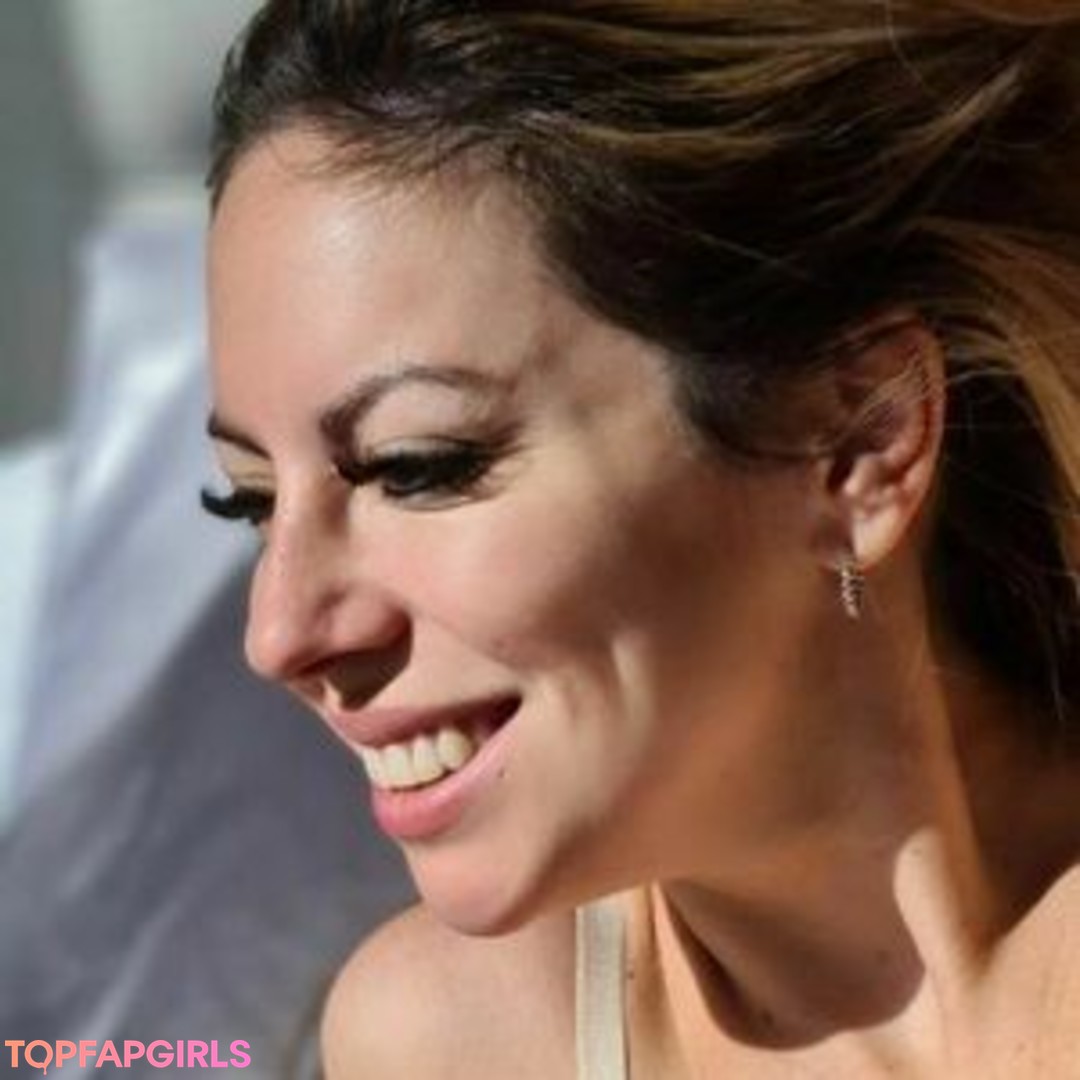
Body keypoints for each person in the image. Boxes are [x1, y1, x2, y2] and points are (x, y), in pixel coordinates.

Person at [201, 1, 1080, 1075]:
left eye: (417, 466)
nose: (280, 634)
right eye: (250, 502)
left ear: (858, 439)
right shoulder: (453, 1047)